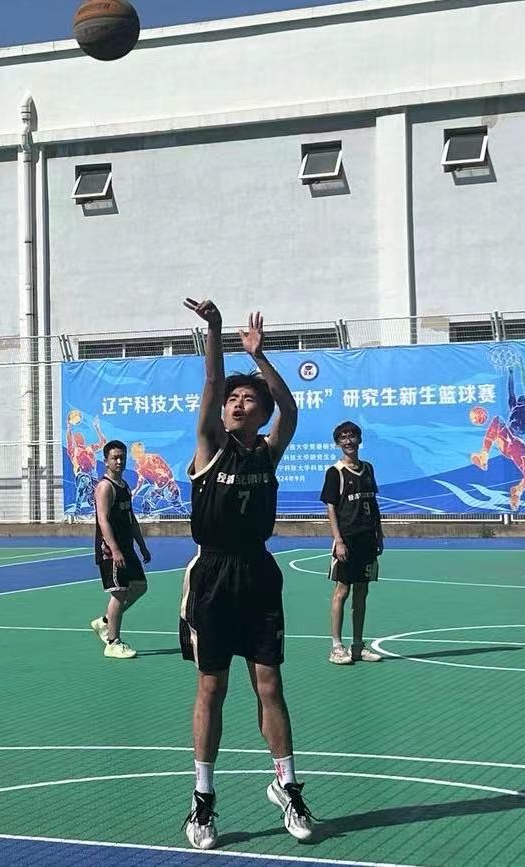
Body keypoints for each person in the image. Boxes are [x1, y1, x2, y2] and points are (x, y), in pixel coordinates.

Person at [179, 300, 313, 850]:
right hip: (212, 575)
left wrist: (260, 358)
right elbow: (212, 381)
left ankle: (287, 786)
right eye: (233, 399)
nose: (237, 403)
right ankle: (202, 799)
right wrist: (215, 330)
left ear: (261, 413)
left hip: (257, 573)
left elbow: (291, 408)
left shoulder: (267, 453)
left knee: (270, 684)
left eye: (248, 399)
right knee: (212, 687)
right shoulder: (209, 447)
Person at [321, 422, 384, 666]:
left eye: (352, 436)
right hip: (347, 540)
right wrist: (338, 540)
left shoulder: (367, 469)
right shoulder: (335, 472)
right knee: (342, 591)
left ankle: (357, 645)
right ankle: (336, 646)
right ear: (338, 443)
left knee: (362, 592)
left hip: (367, 539)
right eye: (343, 437)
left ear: (359, 440)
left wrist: (379, 533)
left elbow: (373, 503)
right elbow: (331, 508)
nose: (348, 441)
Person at [88, 440, 151, 659]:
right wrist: (114, 550)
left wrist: (141, 545)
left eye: (122, 457)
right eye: (114, 457)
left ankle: (106, 621)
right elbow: (103, 520)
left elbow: (131, 519)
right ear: (106, 461)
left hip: (127, 547)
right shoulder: (105, 487)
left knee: (140, 586)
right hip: (111, 550)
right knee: (120, 592)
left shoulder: (124, 486)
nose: (119, 461)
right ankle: (113, 642)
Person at [469, 357, 525, 511]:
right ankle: (483, 456)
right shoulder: (514, 405)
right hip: (508, 440)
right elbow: (511, 390)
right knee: (498, 420)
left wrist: (522, 368)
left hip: (519, 447)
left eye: (522, 398)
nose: (519, 398)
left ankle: (518, 490)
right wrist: (511, 372)